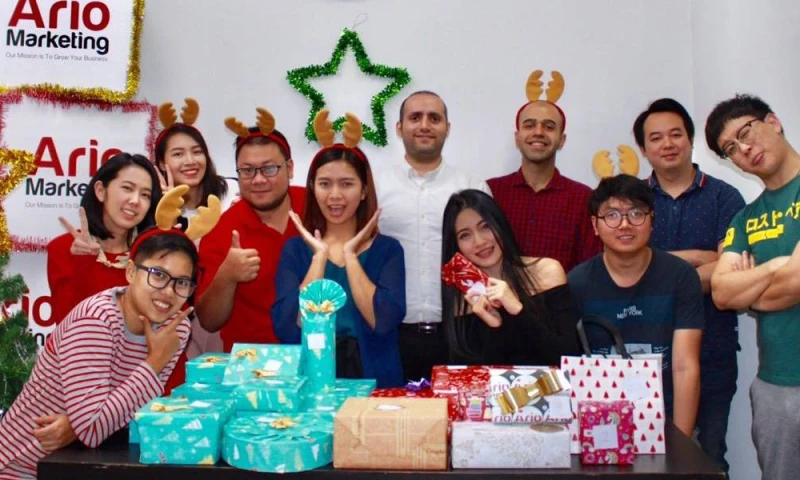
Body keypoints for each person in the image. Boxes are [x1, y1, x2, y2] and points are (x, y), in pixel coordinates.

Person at [0, 195, 221, 478]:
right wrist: (154, 362)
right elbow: (93, 429)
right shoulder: (96, 321)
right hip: (22, 468)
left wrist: (79, 425)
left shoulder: (175, 327)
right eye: (157, 274)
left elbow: (131, 414)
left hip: (85, 463)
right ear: (130, 272)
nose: (168, 291)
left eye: (182, 282)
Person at [633, 97, 744, 471]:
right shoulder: (632, 200)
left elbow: (731, 274)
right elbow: (624, 269)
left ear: (691, 139)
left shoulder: (725, 197)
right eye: (656, 137)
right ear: (643, 148)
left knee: (709, 457)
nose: (667, 144)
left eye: (676, 134)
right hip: (644, 356)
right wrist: (701, 257)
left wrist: (656, 268)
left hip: (712, 350)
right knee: (642, 458)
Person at [272, 111, 405, 388]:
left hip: (375, 381)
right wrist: (319, 257)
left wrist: (350, 257)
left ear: (364, 191)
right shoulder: (295, 250)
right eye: (325, 184)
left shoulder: (388, 250)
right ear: (312, 188)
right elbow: (288, 327)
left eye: (347, 184)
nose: (335, 195)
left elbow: (382, 322)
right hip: (309, 380)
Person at [706, 94, 800, 480]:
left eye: (745, 133)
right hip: (775, 385)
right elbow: (722, 293)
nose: (743, 149)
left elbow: (797, 281)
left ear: (773, 122)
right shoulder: (745, 219)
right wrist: (779, 266)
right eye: (730, 149)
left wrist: (754, 290)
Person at [568, 174, 704, 437]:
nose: (625, 224)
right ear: (595, 225)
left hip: (665, 418)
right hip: (598, 424)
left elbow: (685, 367)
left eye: (636, 214)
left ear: (652, 220)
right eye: (612, 215)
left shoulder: (681, 277)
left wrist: (681, 441)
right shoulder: (577, 282)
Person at [376, 90, 490, 382]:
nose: (425, 125)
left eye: (434, 118)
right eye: (415, 118)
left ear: (447, 128)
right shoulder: (375, 188)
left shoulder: (472, 187)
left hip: (461, 332)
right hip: (392, 335)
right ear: (399, 128)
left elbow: (490, 259)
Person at [196, 109, 305, 351]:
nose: (258, 180)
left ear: (289, 168)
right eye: (247, 170)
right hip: (252, 363)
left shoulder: (317, 208)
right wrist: (227, 276)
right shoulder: (221, 231)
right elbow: (209, 322)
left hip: (323, 352)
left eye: (269, 169)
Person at [440, 189, 580, 365]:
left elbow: (569, 358)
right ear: (456, 246)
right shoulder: (461, 298)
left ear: (500, 225)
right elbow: (467, 373)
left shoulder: (547, 272)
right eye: (465, 235)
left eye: (485, 226)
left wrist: (518, 311)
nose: (479, 242)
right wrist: (495, 327)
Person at [488, 72, 601, 272]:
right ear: (517, 138)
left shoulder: (584, 198)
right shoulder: (491, 192)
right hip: (497, 292)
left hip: (562, 293)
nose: (538, 132)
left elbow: (589, 268)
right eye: (529, 125)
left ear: (562, 140)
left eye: (549, 127)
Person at [47, 153, 162, 325]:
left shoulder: (154, 253)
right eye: (127, 188)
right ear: (101, 191)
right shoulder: (63, 247)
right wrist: (84, 262)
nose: (135, 200)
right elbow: (67, 325)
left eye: (145, 195)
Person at [153, 98, 229, 358]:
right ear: (161, 163)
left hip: (221, 316)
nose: (190, 161)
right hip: (171, 318)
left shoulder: (230, 201)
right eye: (178, 154)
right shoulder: (151, 211)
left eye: (197, 152)